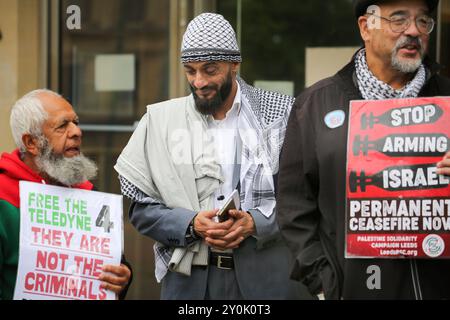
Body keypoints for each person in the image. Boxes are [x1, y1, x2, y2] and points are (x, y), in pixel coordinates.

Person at [115, 13, 311, 300]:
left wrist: (256, 222)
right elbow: (141, 210)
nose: (199, 81)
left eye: (210, 70)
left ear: (234, 64)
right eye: (190, 71)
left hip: (269, 284)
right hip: (190, 287)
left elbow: (306, 197)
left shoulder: (281, 114)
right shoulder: (161, 121)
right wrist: (191, 223)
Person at [277, 0, 450, 300]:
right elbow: (293, 208)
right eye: (399, 19)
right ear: (366, 26)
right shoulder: (315, 105)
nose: (414, 30)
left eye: (424, 21)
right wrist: (324, 284)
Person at [0, 89, 132, 300]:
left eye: (76, 122)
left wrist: (123, 277)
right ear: (31, 143)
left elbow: (115, 264)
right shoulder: (3, 197)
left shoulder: (88, 194)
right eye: (63, 126)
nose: (77, 132)